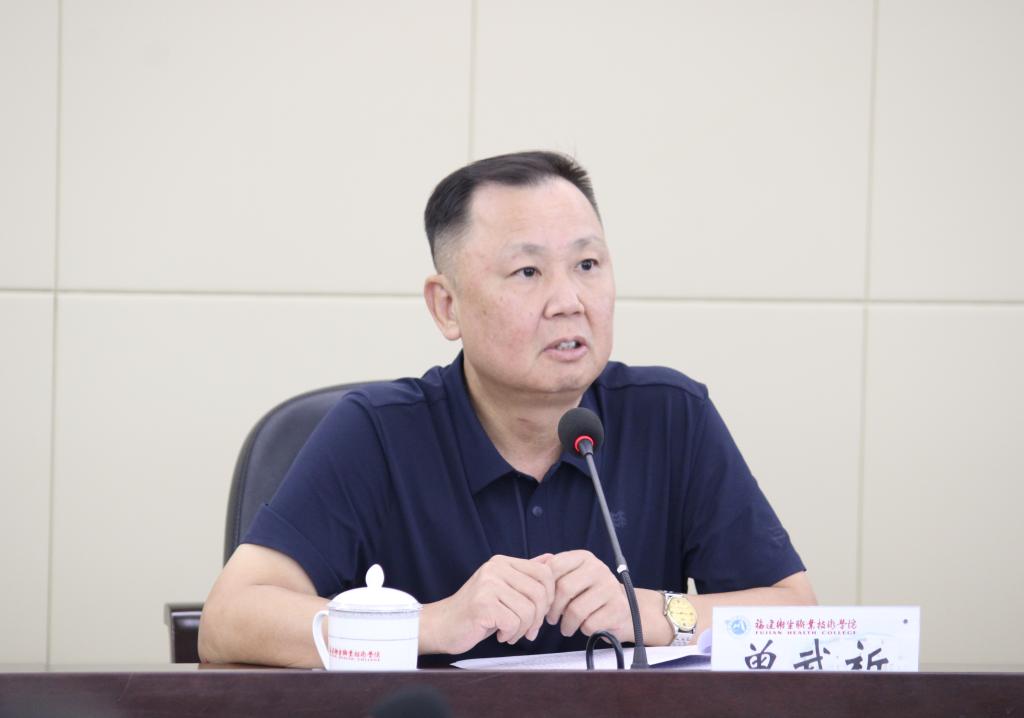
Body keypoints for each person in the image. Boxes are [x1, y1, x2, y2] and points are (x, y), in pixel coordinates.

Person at [198, 151, 815, 667]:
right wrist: (434, 623)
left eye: (588, 265)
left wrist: (650, 611)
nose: (569, 301)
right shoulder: (376, 433)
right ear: (447, 307)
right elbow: (229, 620)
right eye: (527, 271)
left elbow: (795, 611)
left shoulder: (670, 416)